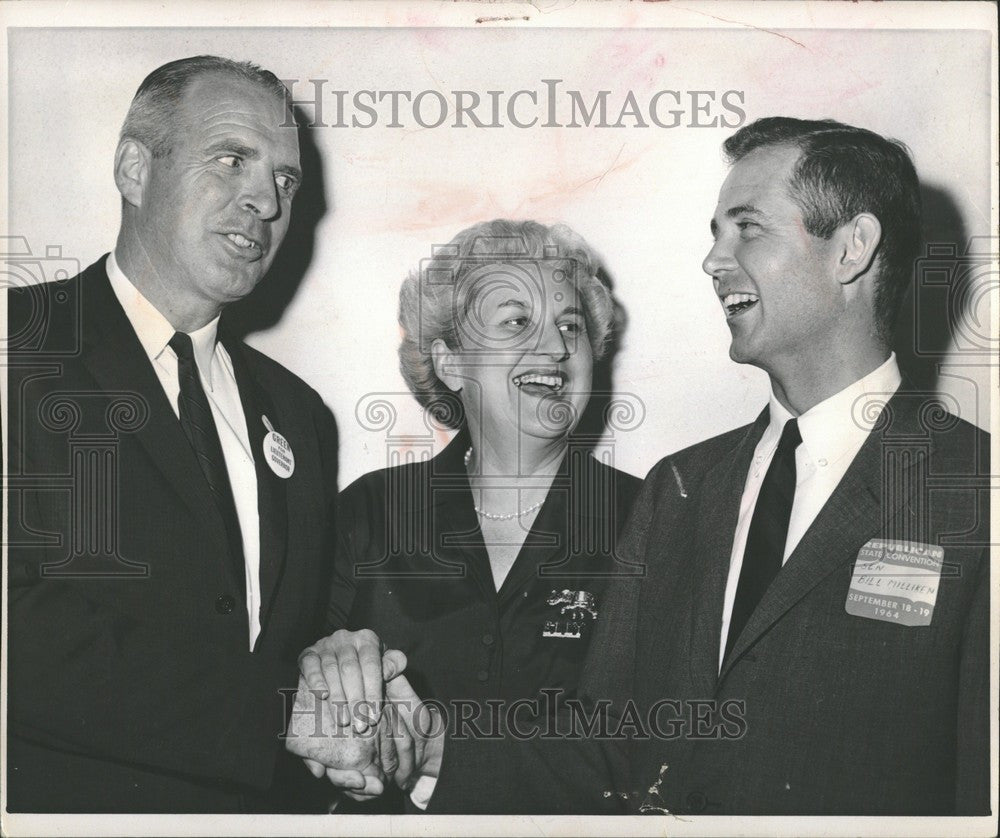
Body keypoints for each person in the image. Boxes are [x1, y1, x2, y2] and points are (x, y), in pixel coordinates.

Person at [293, 118, 991, 816]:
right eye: (715, 232)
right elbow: (606, 751)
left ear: (853, 249)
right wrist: (424, 746)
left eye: (747, 228)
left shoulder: (978, 491)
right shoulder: (684, 492)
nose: (712, 261)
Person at [5, 56, 339, 813]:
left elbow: (300, 632)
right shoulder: (17, 350)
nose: (265, 201)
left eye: (286, 182)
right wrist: (277, 716)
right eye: (232, 160)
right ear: (133, 169)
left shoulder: (297, 414)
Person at [284, 219, 642, 811]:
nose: (555, 348)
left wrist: (436, 751)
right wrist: (323, 675)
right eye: (517, 321)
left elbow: (658, 751)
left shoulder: (653, 519)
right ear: (451, 364)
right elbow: (295, 713)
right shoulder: (369, 513)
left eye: (570, 326)